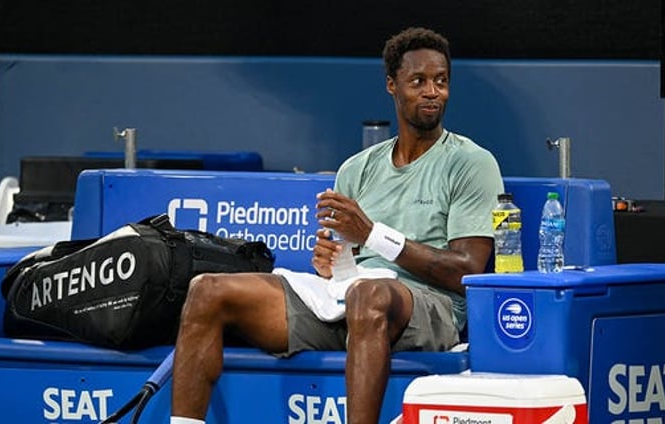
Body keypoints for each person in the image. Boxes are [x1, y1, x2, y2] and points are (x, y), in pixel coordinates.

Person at [170, 26, 504, 424]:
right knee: (207, 290)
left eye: (441, 81)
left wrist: (372, 235)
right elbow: (350, 261)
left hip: (430, 308)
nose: (433, 91)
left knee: (368, 295)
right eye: (418, 81)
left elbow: (467, 270)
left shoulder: (471, 162)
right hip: (354, 303)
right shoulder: (357, 169)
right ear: (392, 85)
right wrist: (331, 261)